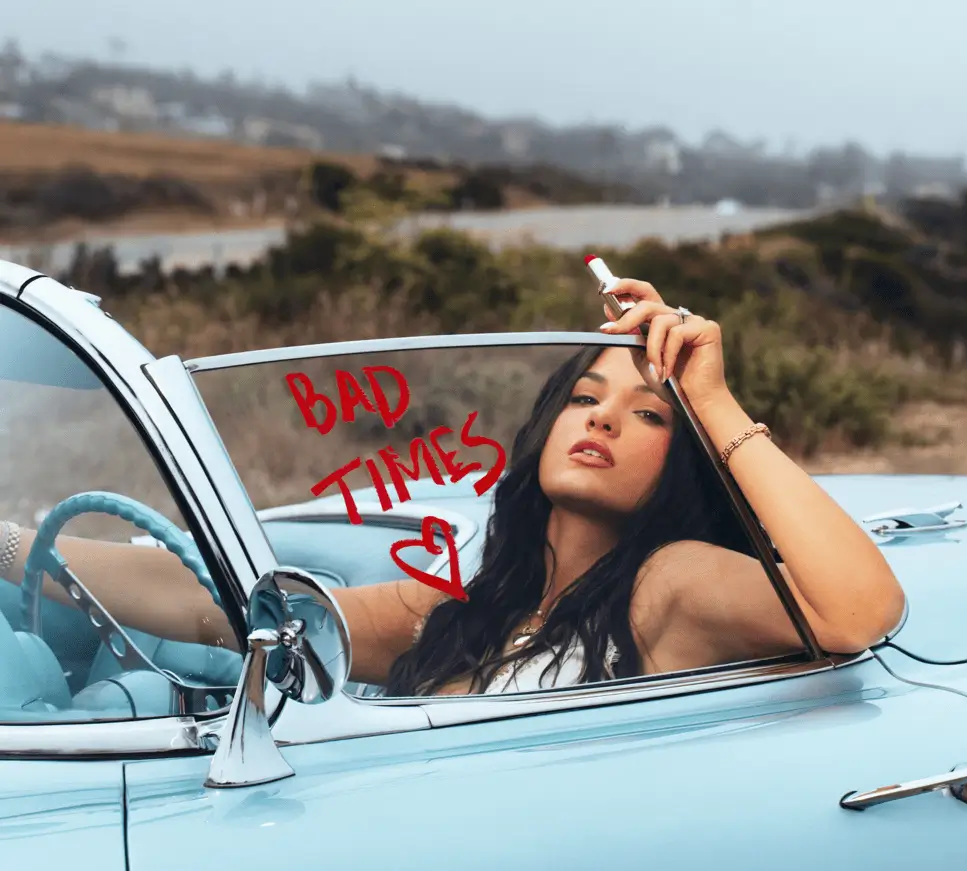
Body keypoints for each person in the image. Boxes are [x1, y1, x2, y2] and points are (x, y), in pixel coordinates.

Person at [0, 278, 905, 698]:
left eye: (649, 415)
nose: (601, 420)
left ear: (687, 457)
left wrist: (712, 397)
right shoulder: (461, 610)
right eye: (584, 397)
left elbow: (854, 611)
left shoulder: (669, 585)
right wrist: (9, 546)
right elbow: (218, 607)